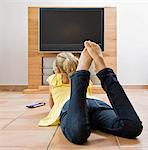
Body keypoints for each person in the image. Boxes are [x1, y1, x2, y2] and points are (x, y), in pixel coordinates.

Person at [39, 40, 143, 145]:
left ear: (57, 69)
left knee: (78, 134)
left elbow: (52, 106)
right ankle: (102, 69)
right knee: (132, 128)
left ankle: (81, 72)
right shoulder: (88, 81)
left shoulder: (53, 79)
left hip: (70, 105)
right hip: (96, 103)